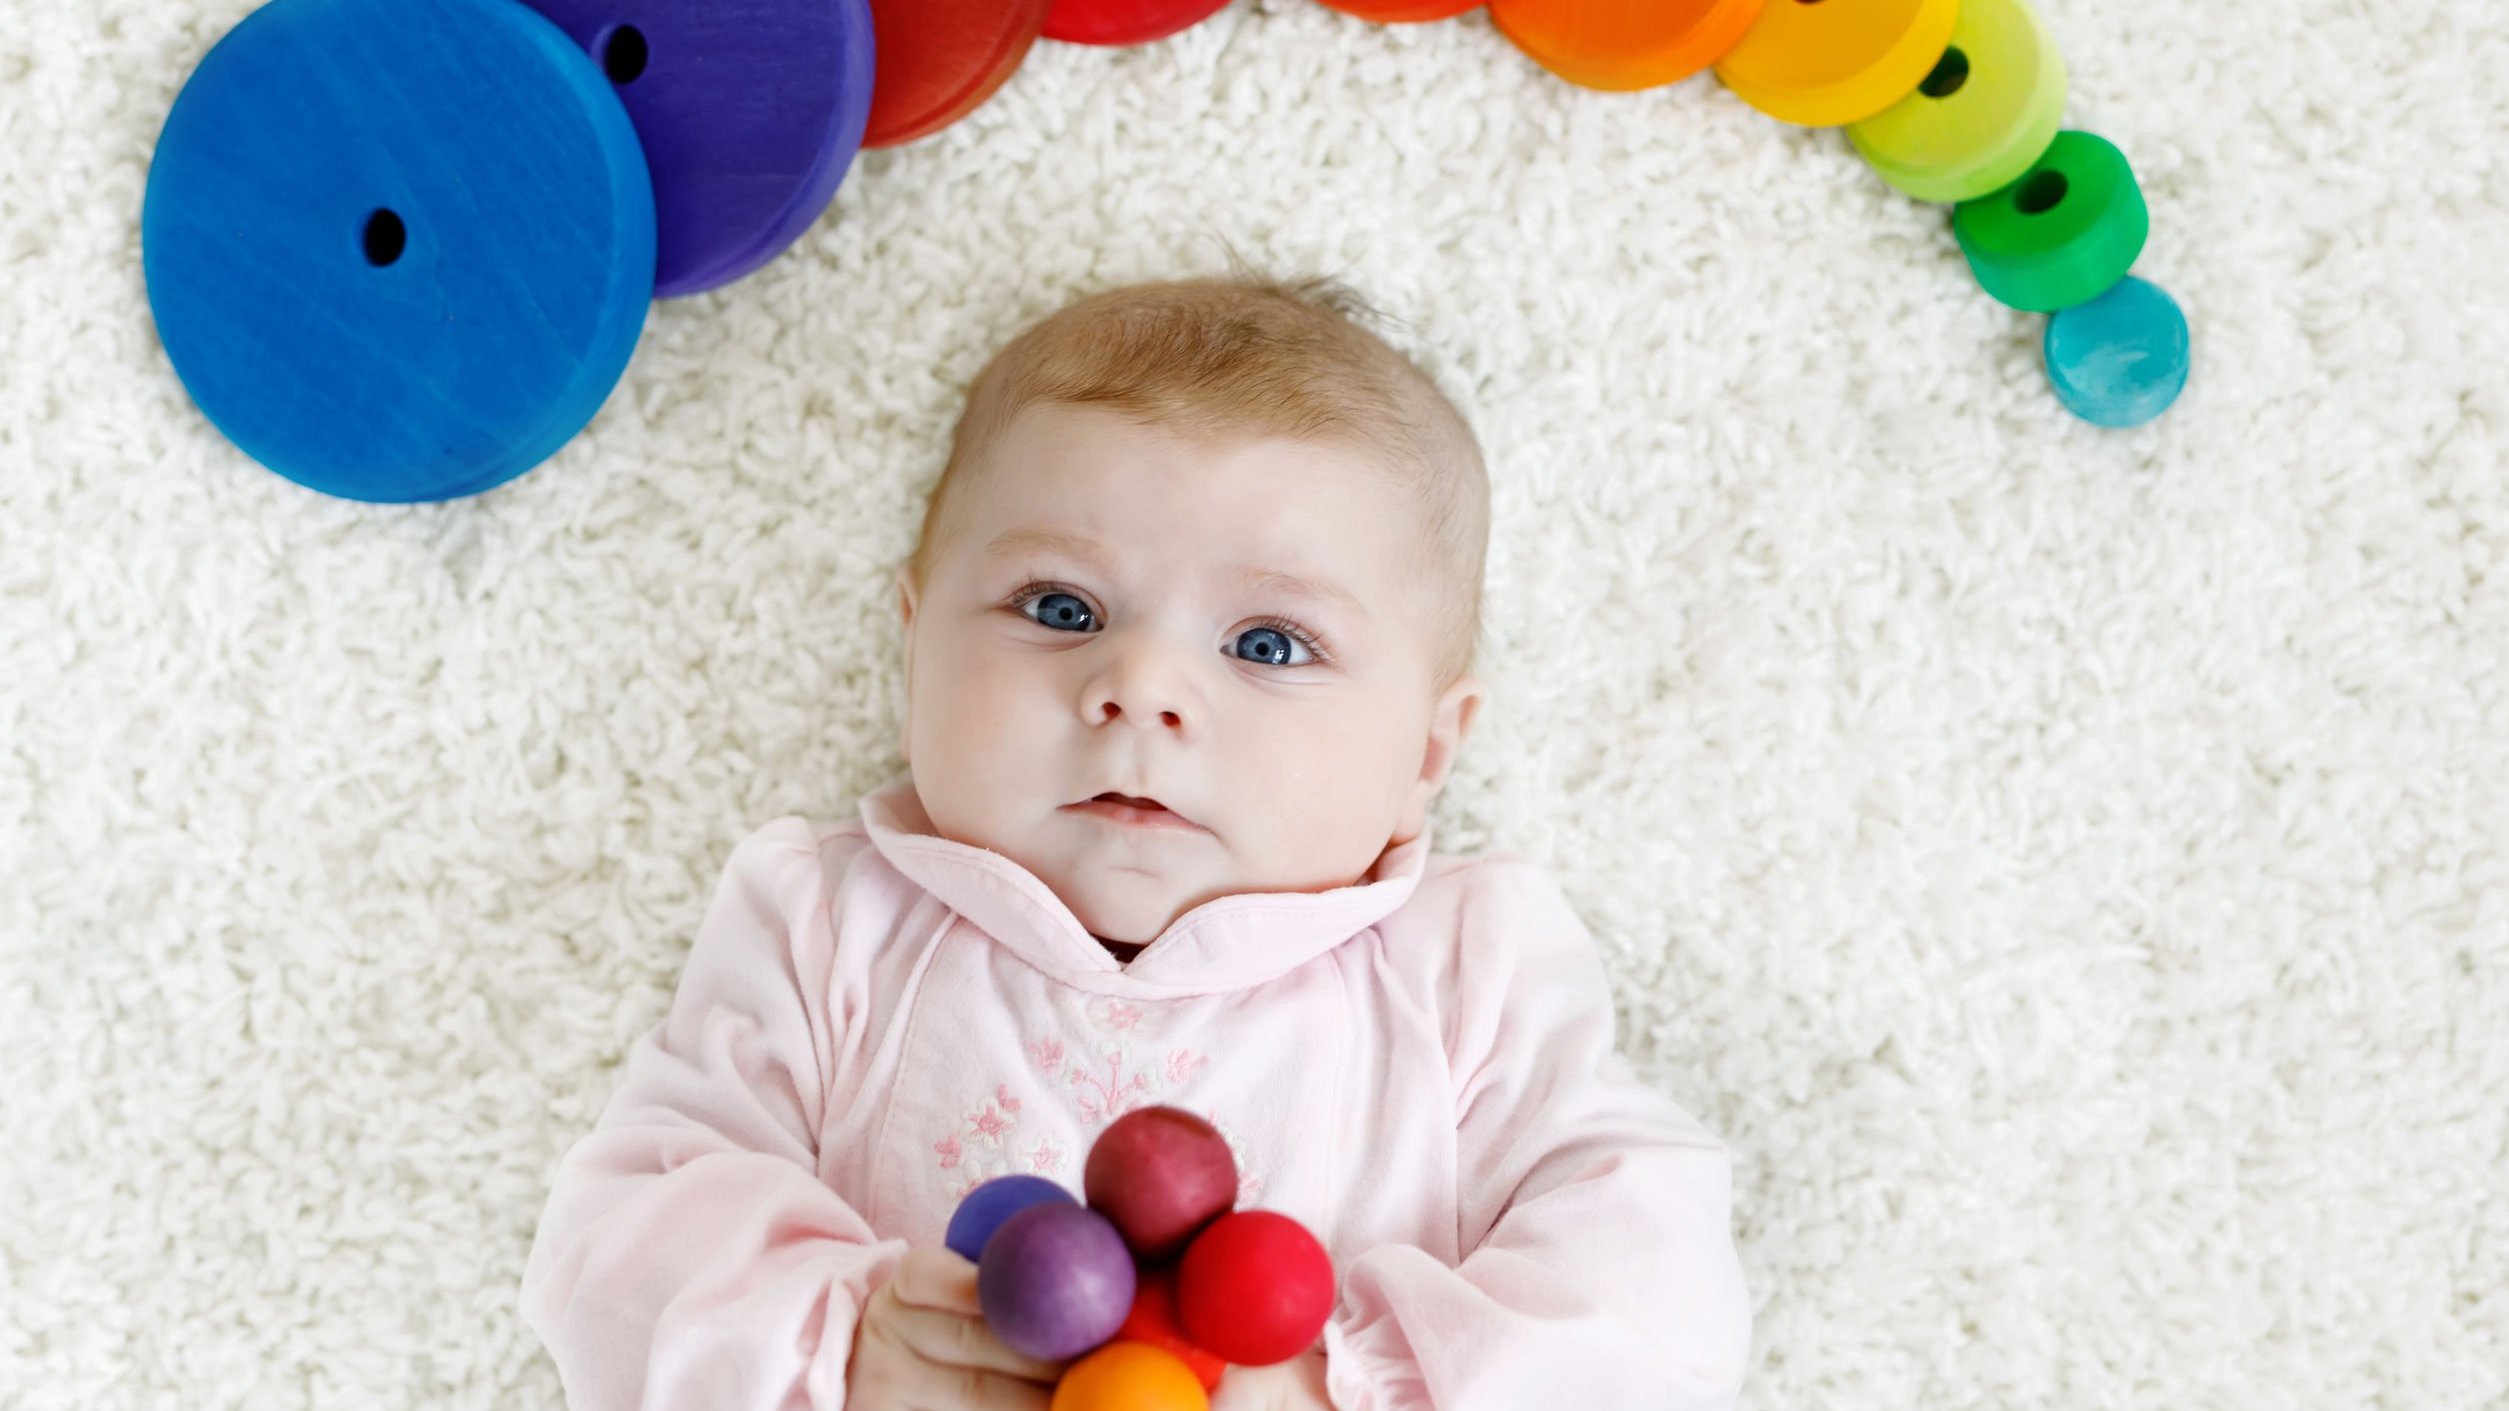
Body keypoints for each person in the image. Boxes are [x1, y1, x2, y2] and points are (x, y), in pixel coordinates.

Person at [519, 265, 1752, 1410]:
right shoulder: (831, 921)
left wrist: (1348, 1381)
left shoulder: (1466, 970)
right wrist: (848, 1345)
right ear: (913, 652)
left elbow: (1653, 1283)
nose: (1141, 685)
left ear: (1427, 753)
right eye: (1062, 609)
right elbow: (620, 1243)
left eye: (1268, 643)